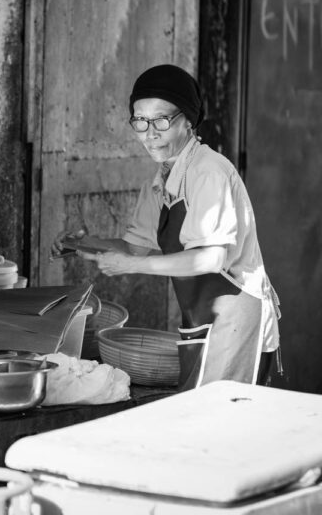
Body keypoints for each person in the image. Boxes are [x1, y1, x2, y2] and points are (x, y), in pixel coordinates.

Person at [55, 64, 281, 390]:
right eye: (140, 121)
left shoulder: (208, 171)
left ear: (188, 121)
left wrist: (132, 266)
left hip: (236, 319)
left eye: (161, 120)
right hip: (204, 319)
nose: (149, 133)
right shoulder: (160, 180)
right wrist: (82, 245)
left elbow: (211, 258)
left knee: (221, 426)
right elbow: (134, 247)